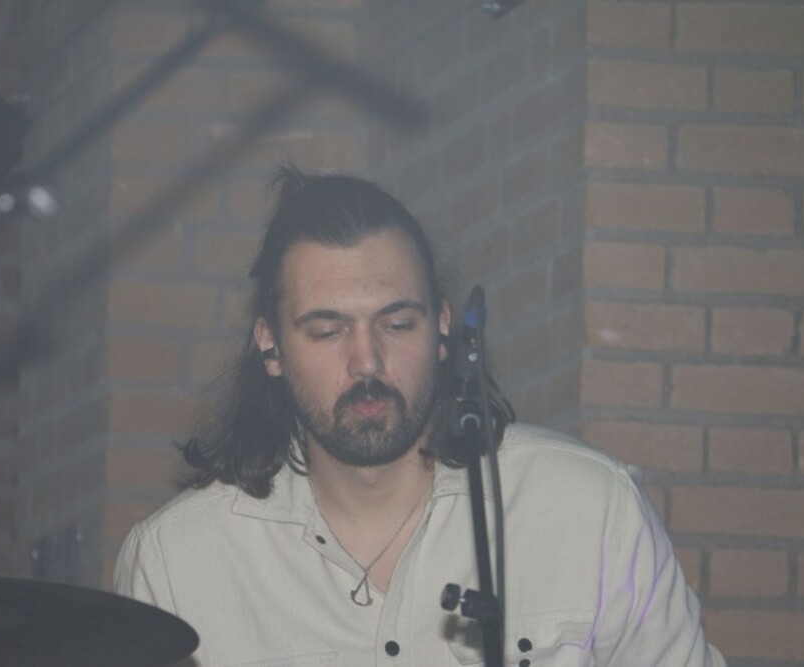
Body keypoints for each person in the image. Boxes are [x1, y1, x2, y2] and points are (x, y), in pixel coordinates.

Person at [114, 167, 726, 666]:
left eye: (397, 323)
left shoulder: (588, 508)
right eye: (327, 330)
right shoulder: (178, 559)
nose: (367, 361)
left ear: (442, 328)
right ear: (270, 345)